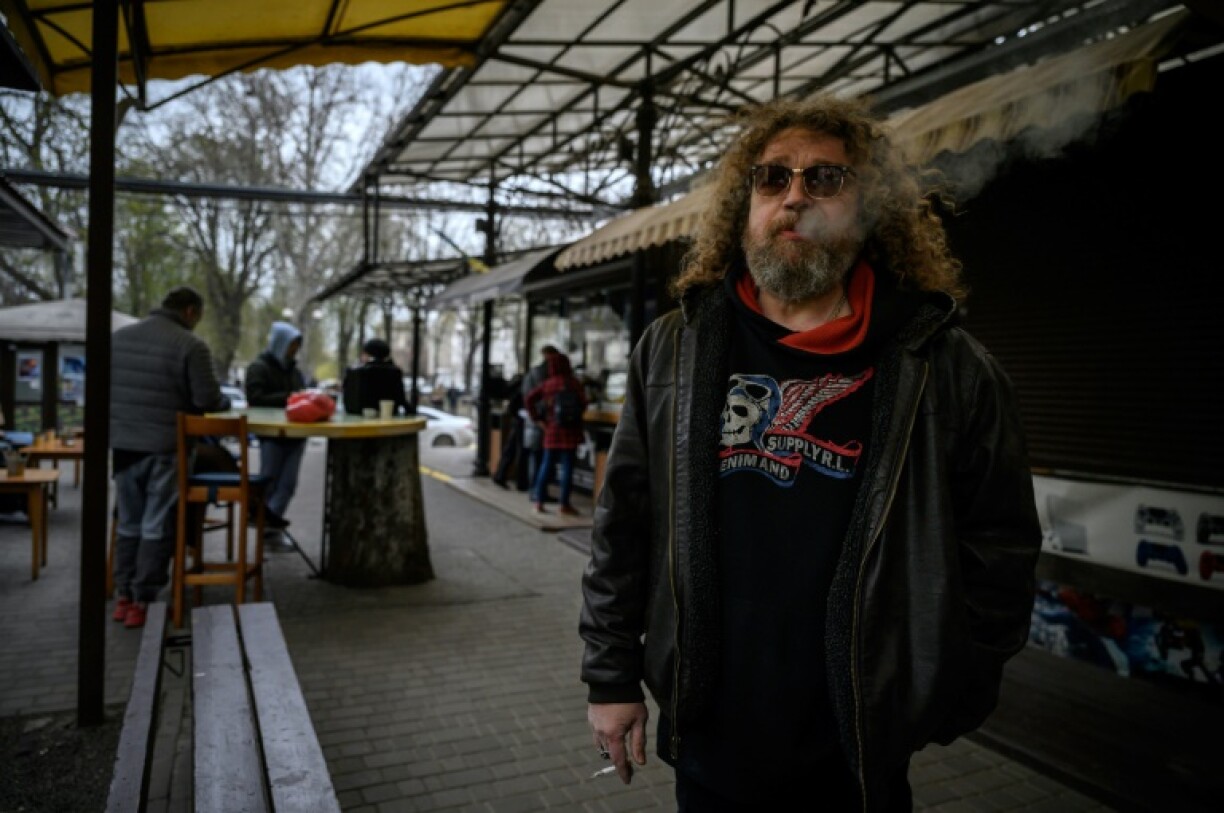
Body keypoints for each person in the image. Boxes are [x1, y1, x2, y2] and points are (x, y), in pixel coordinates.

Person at [578, 94, 1042, 811]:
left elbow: (1001, 546)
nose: (794, 196)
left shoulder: (943, 364)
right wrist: (611, 677)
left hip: (859, 747)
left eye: (825, 179)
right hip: (711, 735)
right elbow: (624, 524)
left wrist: (952, 686)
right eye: (772, 178)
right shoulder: (674, 348)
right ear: (745, 204)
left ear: (871, 208)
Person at [110, 285, 230, 628]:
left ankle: (123, 595)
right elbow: (208, 400)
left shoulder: (119, 339)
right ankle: (144, 599)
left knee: (129, 522)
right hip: (165, 447)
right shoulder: (190, 345)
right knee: (155, 523)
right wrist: (224, 403)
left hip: (123, 447)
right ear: (190, 312)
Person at [245, 321, 307, 548]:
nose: (294, 350)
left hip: (295, 434)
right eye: (292, 345)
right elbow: (256, 398)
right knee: (269, 481)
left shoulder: (294, 371)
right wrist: (290, 398)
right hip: (271, 434)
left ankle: (268, 529)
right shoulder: (259, 368)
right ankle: (266, 527)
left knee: (287, 485)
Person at [524, 352, 586, 516]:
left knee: (546, 465)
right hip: (571, 430)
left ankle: (539, 502)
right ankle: (564, 504)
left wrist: (538, 419)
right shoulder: (574, 383)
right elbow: (584, 404)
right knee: (567, 468)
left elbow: (529, 399)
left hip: (551, 429)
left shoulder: (548, 384)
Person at [520, 344, 560, 499]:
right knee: (541, 460)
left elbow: (527, 397)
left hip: (534, 422)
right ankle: (538, 492)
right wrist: (541, 418)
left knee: (536, 458)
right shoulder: (547, 375)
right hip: (542, 422)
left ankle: (536, 491)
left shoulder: (533, 373)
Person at [342, 337, 410, 416]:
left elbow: (348, 401)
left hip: (360, 417)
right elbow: (400, 399)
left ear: (367, 353)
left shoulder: (355, 373)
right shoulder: (395, 372)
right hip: (389, 418)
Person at [491, 372, 525, 489]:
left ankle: (500, 474)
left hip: (516, 419)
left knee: (510, 449)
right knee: (518, 450)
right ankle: (519, 481)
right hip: (521, 419)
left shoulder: (515, 387)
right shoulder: (522, 387)